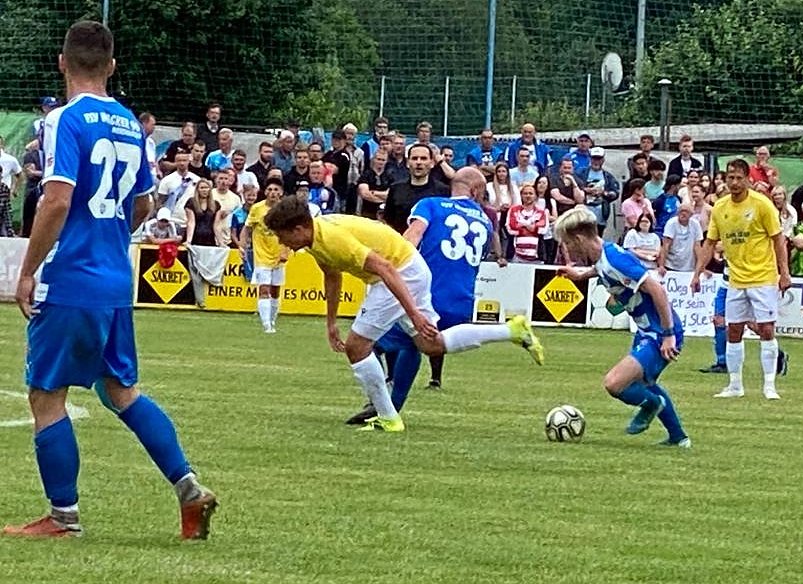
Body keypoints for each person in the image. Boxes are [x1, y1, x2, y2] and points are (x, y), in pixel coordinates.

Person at [5, 21, 216, 539]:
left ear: (62, 62)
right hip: (116, 281)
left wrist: (27, 270)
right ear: (112, 66)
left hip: (70, 278)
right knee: (121, 390)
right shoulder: (128, 123)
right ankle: (189, 488)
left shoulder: (63, 119)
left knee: (46, 393)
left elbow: (56, 199)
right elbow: (144, 203)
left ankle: (63, 518)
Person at [263, 193, 543, 432]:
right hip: (409, 269)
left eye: (282, 236)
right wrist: (331, 323)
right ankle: (512, 330)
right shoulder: (315, 238)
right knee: (431, 344)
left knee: (357, 346)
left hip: (400, 273)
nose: (282, 243)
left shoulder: (333, 239)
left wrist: (415, 315)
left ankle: (388, 418)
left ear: (298, 229)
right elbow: (332, 275)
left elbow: (385, 269)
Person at [347, 168, 508, 423]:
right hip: (462, 301)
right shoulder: (485, 220)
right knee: (412, 343)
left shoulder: (431, 205)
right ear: (476, 191)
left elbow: (411, 239)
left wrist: (389, 267)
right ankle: (389, 408)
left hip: (424, 294)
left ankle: (382, 405)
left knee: (365, 343)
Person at [555, 207, 691, 449]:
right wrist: (580, 275)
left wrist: (668, 335)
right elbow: (601, 269)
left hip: (660, 333)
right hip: (647, 331)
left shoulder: (616, 260)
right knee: (646, 385)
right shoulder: (603, 256)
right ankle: (679, 438)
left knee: (614, 383)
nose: (567, 249)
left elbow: (657, 290)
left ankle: (653, 404)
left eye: (567, 243)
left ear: (579, 239)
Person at [691, 159, 790, 400]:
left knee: (766, 328)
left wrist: (784, 272)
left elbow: (778, 239)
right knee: (733, 329)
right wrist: (697, 273)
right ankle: (735, 385)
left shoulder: (762, 204)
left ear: (748, 179)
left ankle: (769, 386)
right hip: (735, 279)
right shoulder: (720, 207)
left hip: (763, 277)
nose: (734, 182)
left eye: (739, 178)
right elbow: (710, 242)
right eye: (730, 178)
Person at [240, 178, 290, 333]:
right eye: (270, 189)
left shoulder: (285, 209)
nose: (273, 193)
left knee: (275, 291)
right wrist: (242, 245)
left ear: (281, 192)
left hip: (279, 254)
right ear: (265, 192)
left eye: (276, 190)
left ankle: (272, 320)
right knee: (264, 289)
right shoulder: (257, 208)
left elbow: (290, 233)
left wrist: (286, 250)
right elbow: (247, 228)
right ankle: (266, 325)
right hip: (261, 256)